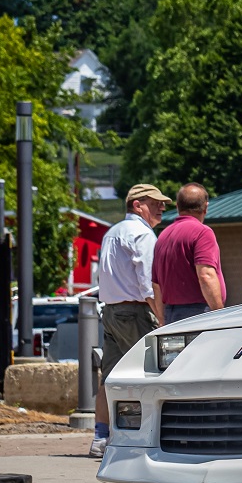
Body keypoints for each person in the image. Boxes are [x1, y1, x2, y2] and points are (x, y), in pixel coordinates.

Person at [89, 182, 169, 459]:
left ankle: (101, 437)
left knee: (109, 378)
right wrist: (162, 318)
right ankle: (145, 437)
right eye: (155, 202)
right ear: (137, 205)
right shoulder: (142, 234)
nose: (162, 206)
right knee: (149, 375)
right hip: (134, 311)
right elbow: (148, 284)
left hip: (110, 310)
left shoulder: (112, 232)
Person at [152, 183, 226, 323]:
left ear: (178, 207)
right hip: (198, 313)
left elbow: (156, 285)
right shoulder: (202, 232)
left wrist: (162, 320)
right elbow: (206, 276)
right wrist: (219, 314)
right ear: (206, 207)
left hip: (170, 313)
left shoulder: (163, 236)